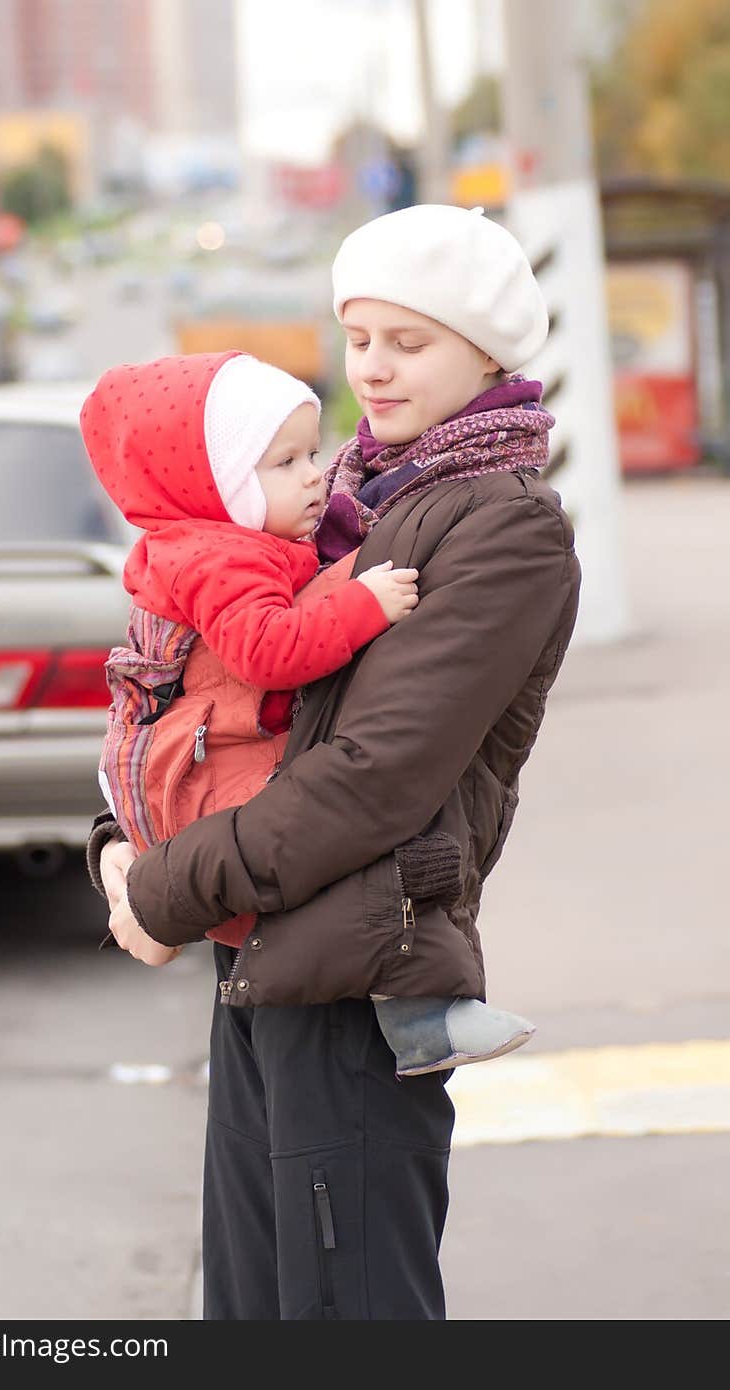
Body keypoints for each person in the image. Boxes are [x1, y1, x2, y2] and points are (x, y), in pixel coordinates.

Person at [92, 204, 582, 1320]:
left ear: (487, 352)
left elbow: (373, 773)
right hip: (261, 952)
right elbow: (203, 691)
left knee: (344, 1309)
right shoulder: (343, 496)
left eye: (409, 342)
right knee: (255, 1302)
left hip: (363, 971)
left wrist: (161, 890)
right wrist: (121, 838)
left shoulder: (501, 526)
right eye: (359, 337)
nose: (374, 367)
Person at [82, 348, 532, 1071]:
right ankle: (418, 1017)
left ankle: (416, 1012)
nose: (314, 474)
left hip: (203, 751)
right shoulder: (217, 558)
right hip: (214, 763)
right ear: (215, 486)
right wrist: (362, 604)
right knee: (340, 845)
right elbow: (267, 650)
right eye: (284, 463)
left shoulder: (229, 542)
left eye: (312, 453)